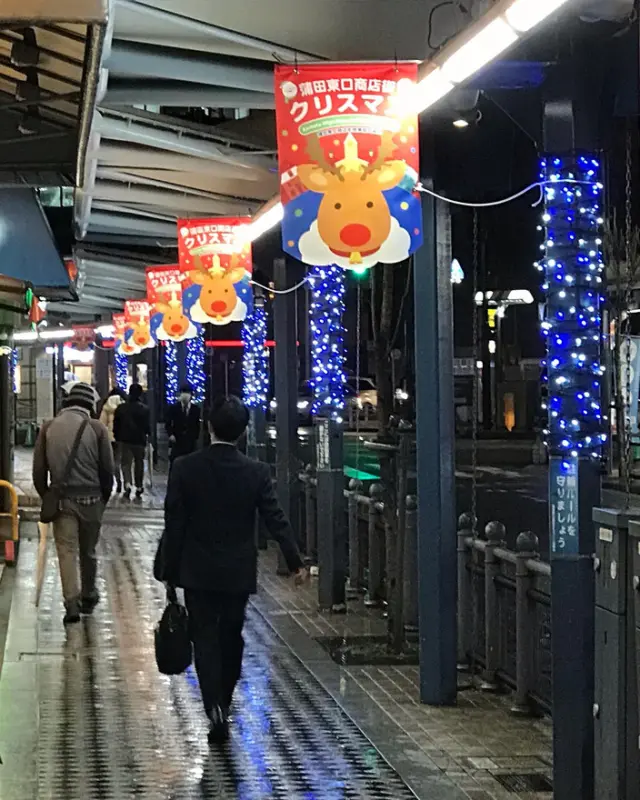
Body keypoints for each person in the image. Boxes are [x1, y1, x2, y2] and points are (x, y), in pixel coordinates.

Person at [155, 395, 307, 743]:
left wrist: (169, 570)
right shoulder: (255, 472)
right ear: (242, 432)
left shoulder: (185, 468)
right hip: (237, 572)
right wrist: (295, 560)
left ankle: (214, 709)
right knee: (231, 638)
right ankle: (225, 697)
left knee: (204, 638)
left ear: (208, 426)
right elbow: (274, 517)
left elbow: (174, 522)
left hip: (197, 570)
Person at [32, 382, 115, 625]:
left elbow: (39, 470)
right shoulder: (97, 428)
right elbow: (107, 470)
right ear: (90, 404)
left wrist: (48, 494)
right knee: (88, 551)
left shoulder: (48, 427)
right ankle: (89, 593)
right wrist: (104, 498)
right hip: (92, 499)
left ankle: (71, 603)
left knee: (66, 551)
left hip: (63, 501)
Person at [113, 383, 150, 499]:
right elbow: (147, 427)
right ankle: (139, 486)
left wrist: (117, 436)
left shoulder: (121, 408)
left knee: (126, 463)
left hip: (125, 439)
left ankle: (127, 484)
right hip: (139, 440)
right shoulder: (145, 409)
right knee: (139, 463)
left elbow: (116, 425)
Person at [165, 383, 201, 464]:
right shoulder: (174, 408)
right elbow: (168, 423)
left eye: (187, 392)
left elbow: (197, 425)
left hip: (190, 442)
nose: (185, 395)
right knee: (175, 463)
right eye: (183, 392)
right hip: (177, 441)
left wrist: (195, 437)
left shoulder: (196, 409)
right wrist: (170, 435)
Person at [99, 387, 126, 492]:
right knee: (121, 461)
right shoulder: (124, 406)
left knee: (110, 461)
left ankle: (115, 481)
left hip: (109, 438)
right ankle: (124, 482)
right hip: (122, 437)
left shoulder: (106, 407)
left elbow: (101, 424)